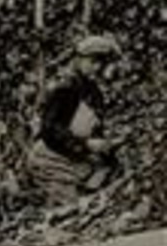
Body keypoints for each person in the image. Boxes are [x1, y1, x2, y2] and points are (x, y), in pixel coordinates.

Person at [25, 34, 123, 204]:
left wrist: (105, 146)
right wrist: (86, 144)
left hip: (73, 156)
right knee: (70, 206)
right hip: (49, 157)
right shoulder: (65, 88)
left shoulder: (93, 92)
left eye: (101, 63)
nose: (96, 67)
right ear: (79, 59)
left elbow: (94, 130)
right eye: (92, 61)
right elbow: (50, 129)